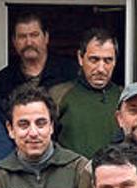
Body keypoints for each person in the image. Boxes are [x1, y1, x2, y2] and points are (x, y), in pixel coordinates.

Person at [49, 28, 122, 158]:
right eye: (94, 60)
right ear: (80, 58)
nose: (101, 68)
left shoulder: (124, 98)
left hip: (115, 175)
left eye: (107, 60)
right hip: (72, 175)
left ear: (115, 61)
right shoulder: (58, 95)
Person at [0, 13, 80, 104]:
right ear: (14, 41)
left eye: (34, 35)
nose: (29, 43)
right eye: (22, 37)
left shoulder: (69, 72)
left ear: (46, 37)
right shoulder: (5, 78)